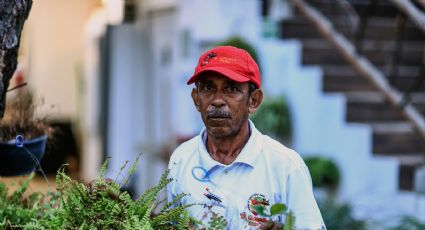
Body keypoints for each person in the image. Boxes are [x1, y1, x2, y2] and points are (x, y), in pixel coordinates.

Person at [167, 46, 325, 229]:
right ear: (196, 99)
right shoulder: (181, 159)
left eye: (231, 89)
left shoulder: (285, 166)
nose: (217, 100)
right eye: (208, 88)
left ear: (254, 100)